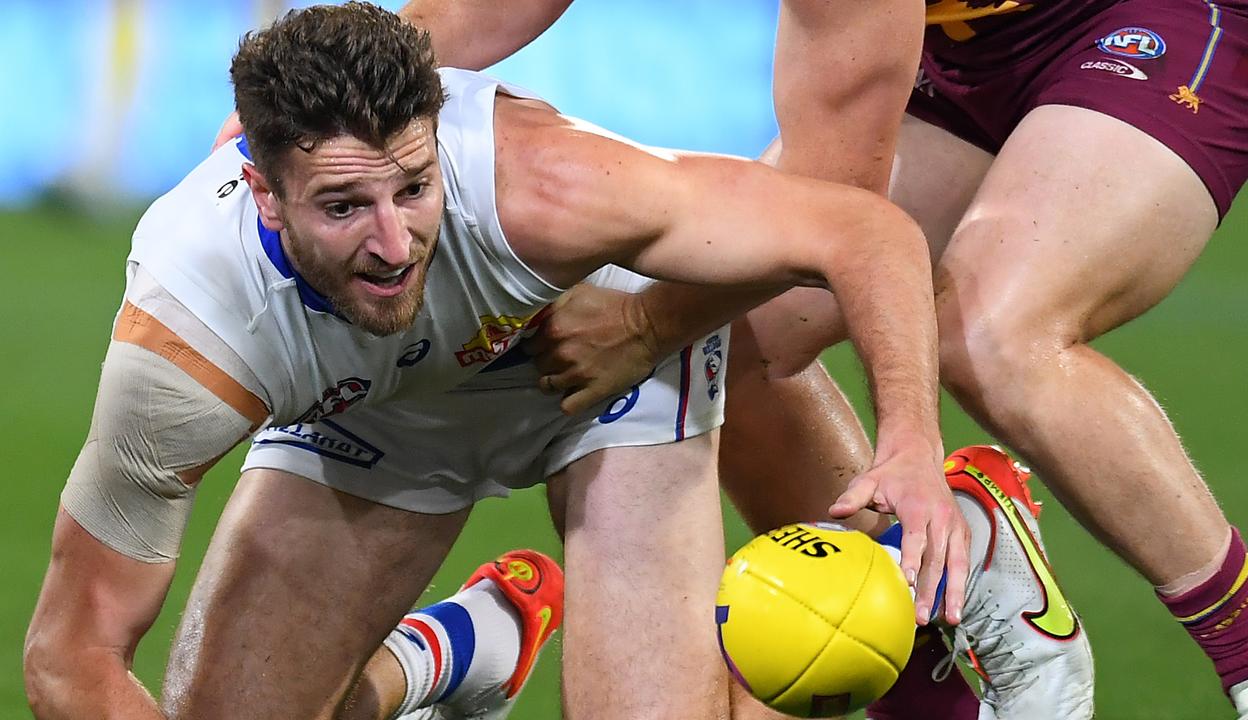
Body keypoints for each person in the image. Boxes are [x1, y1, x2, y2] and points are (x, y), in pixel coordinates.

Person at [23, 4, 947, 719]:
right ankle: (459, 650)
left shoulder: (544, 184)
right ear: (262, 191)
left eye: (415, 189)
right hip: (384, 410)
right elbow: (72, 654)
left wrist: (909, 440)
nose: (393, 244)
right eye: (344, 206)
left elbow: (862, 229)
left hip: (604, 368)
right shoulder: (187, 340)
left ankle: (967, 534)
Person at [374, 0, 1248, 717]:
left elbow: (841, 206)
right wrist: (335, 96)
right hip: (952, 43)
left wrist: (649, 326)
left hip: (1161, 13)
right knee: (727, 338)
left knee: (997, 331)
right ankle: (941, 628)